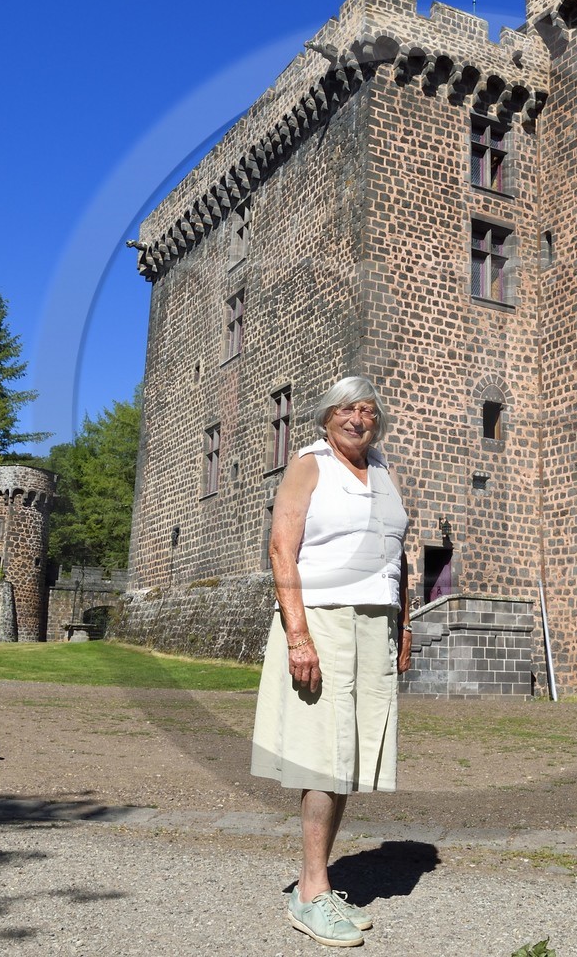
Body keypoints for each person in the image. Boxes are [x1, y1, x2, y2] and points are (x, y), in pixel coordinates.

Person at [250, 375, 411, 947]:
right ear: (326, 418)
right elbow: (281, 548)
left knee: (347, 753)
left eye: (367, 410)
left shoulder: (387, 472)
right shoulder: (309, 465)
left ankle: (318, 884)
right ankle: (312, 892)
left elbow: (399, 555)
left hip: (375, 622)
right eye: (346, 409)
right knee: (323, 755)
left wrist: (403, 623)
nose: (357, 419)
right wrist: (297, 634)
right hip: (320, 617)